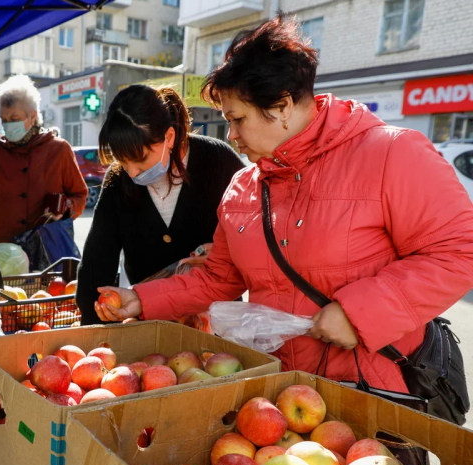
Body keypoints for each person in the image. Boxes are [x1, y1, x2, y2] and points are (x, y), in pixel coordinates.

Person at [94, 15, 473, 393]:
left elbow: (459, 250)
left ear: (282, 105)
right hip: (277, 392)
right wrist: (140, 298)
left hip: (373, 391)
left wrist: (360, 313)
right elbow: (218, 278)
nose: (232, 136)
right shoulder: (243, 186)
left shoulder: (390, 153)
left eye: (238, 119)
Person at [76, 85, 244, 325]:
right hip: (149, 323)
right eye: (123, 162)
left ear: (169, 137)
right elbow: (97, 262)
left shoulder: (218, 162)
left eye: (141, 158)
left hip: (220, 324)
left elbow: (254, 243)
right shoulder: (117, 183)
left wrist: (222, 253)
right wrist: (94, 329)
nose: (132, 172)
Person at [0, 75, 89, 244]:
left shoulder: (59, 149)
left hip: (46, 247)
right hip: (2, 248)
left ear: (32, 117)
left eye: (14, 119)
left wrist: (66, 207)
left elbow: (79, 195)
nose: (8, 124)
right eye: (4, 120)